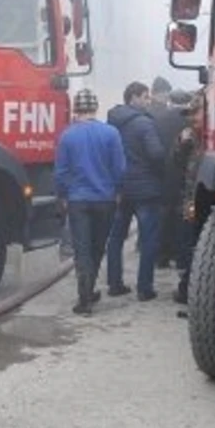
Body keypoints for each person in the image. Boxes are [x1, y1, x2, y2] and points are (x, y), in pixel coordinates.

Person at [55, 88, 126, 315]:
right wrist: (117, 190)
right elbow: (120, 168)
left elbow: (61, 172)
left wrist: (63, 195)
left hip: (77, 200)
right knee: (97, 247)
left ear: (76, 109)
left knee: (82, 249)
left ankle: (84, 298)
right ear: (95, 108)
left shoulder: (67, 136)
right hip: (105, 199)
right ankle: (90, 289)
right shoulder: (111, 133)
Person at [106, 81, 168, 301]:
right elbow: (156, 154)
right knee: (149, 239)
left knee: (115, 238)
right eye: (145, 97)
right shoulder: (144, 124)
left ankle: (114, 284)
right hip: (145, 189)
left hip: (121, 188)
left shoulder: (112, 122)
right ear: (133, 97)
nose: (148, 101)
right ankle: (144, 288)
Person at [168, 90, 206, 305]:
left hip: (204, 201)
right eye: (189, 114)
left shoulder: (214, 137)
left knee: (196, 248)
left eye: (195, 112)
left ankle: (188, 291)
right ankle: (186, 290)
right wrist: (182, 144)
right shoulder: (188, 136)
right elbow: (177, 163)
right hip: (192, 199)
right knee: (191, 245)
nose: (192, 118)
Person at [147, 78, 188, 267]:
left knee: (163, 215)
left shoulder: (159, 119)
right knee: (184, 216)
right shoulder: (191, 119)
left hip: (164, 173)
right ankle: (181, 257)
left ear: (171, 100)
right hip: (186, 175)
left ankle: (161, 256)